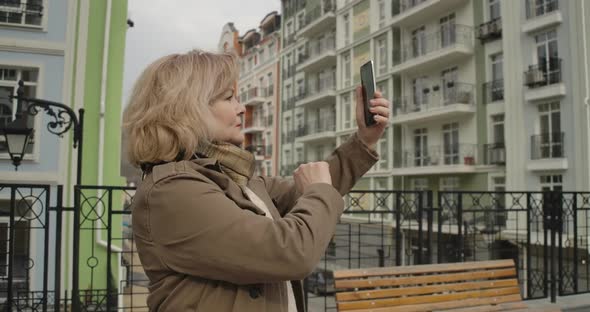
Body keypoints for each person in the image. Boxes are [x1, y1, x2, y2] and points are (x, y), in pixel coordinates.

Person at [123, 49, 390, 312]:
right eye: (229, 98)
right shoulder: (171, 191)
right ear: (187, 108)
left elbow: (308, 193)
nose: (241, 108)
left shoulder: (230, 177)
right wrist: (318, 190)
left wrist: (364, 140)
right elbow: (290, 251)